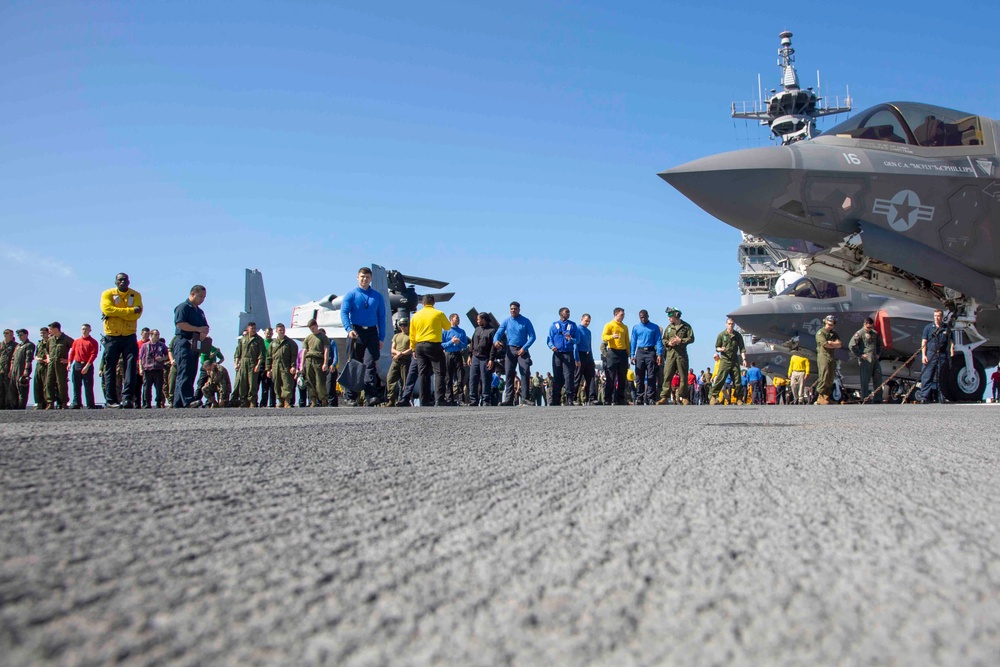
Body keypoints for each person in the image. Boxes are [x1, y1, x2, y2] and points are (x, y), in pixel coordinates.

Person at [340, 267, 387, 407]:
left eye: (367, 277)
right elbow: (344, 313)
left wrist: (381, 338)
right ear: (357, 277)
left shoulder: (377, 296)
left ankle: (370, 395)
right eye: (362, 277)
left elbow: (382, 317)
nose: (364, 279)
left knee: (370, 364)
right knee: (354, 364)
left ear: (371, 279)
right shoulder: (351, 295)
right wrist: (349, 329)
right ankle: (351, 397)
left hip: (372, 333)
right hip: (356, 332)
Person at [100, 272, 143, 409]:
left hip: (129, 335)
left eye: (125, 280)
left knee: (130, 368)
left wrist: (117, 313)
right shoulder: (107, 294)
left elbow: (138, 313)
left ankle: (128, 398)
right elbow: (107, 310)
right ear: (115, 282)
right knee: (110, 368)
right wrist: (129, 311)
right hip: (112, 336)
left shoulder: (135, 295)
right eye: (120, 280)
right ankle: (111, 400)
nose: (122, 282)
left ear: (129, 282)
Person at [172, 285, 210, 408]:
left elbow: (205, 326)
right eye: (200, 296)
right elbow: (180, 324)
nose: (202, 299)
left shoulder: (200, 312)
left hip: (195, 343)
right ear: (192, 294)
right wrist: (197, 329)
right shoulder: (183, 307)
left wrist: (203, 332)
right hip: (184, 341)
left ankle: (179, 402)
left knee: (191, 371)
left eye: (204, 297)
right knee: (184, 371)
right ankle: (188, 399)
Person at [409, 294, 450, 407]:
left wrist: (413, 348)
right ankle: (439, 399)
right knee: (439, 372)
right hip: (434, 345)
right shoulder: (438, 313)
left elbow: (412, 335)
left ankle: (424, 401)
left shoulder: (416, 316)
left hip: (419, 346)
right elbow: (447, 327)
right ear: (433, 303)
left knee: (423, 373)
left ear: (423, 303)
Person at [493, 302, 536, 407]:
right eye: (511, 309)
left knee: (525, 372)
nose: (513, 310)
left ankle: (525, 398)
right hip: (510, 349)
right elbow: (498, 333)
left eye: (515, 309)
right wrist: (495, 341)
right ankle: (508, 399)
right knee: (509, 374)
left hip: (522, 350)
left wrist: (524, 348)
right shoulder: (506, 321)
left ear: (519, 310)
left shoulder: (525, 321)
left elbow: (532, 336)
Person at [658, 307, 694, 406]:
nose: (669, 318)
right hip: (670, 354)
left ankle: (684, 397)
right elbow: (663, 339)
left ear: (676, 315)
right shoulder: (669, 328)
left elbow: (691, 338)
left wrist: (681, 341)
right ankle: (664, 397)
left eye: (670, 316)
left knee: (683, 376)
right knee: (667, 375)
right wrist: (669, 343)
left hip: (681, 354)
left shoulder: (686, 327)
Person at [547, 307, 580, 406]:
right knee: (557, 376)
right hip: (557, 354)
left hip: (568, 353)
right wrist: (552, 347)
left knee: (569, 376)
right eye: (566, 312)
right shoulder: (554, 325)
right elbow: (549, 339)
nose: (568, 314)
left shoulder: (572, 325)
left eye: (569, 312)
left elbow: (577, 339)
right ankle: (555, 399)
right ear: (561, 313)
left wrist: (571, 339)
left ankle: (569, 398)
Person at [627, 310, 662, 406]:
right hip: (640, 352)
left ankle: (651, 398)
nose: (643, 319)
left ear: (648, 316)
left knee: (651, 376)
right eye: (641, 317)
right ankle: (639, 397)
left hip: (651, 351)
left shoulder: (654, 327)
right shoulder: (636, 328)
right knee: (639, 376)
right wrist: (632, 355)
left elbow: (658, 341)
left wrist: (659, 354)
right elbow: (633, 342)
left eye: (644, 317)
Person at [710, 318, 746, 405]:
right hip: (725, 360)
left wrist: (744, 359)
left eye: (732, 324)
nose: (731, 325)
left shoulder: (738, 335)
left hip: (734, 360)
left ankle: (739, 398)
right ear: (726, 324)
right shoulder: (721, 335)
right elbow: (717, 347)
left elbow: (742, 349)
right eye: (729, 324)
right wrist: (721, 349)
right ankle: (713, 396)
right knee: (720, 379)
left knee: (737, 380)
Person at [920, 309, 952, 404]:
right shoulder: (928, 328)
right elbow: (924, 342)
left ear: (942, 317)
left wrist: (951, 355)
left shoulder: (946, 328)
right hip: (931, 353)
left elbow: (951, 343)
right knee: (927, 376)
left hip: (942, 354)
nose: (936, 318)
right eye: (935, 316)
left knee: (943, 376)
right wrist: (924, 355)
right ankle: (924, 397)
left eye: (938, 316)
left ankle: (943, 397)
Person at [850, 317, 884, 403]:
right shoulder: (860, 333)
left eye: (871, 327)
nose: (869, 329)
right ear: (864, 325)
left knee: (878, 378)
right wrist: (860, 355)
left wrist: (878, 354)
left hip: (874, 359)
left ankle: (878, 398)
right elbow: (851, 345)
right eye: (868, 327)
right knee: (865, 380)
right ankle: (865, 398)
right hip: (865, 359)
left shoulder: (874, 333)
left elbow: (879, 344)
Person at [600, 308, 630, 405]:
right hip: (612, 352)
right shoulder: (609, 325)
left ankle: (620, 398)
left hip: (623, 353)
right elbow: (604, 336)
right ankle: (608, 398)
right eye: (621, 314)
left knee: (622, 377)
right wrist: (611, 337)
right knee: (611, 377)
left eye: (624, 315)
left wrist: (628, 354)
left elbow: (627, 341)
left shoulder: (624, 327)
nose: (623, 316)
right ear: (616, 314)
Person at [233, 322, 266, 408]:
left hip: (253, 363)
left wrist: (258, 365)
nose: (253, 330)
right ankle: (244, 401)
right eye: (252, 328)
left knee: (252, 383)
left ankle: (252, 401)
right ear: (248, 329)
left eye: (254, 328)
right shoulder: (243, 339)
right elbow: (238, 352)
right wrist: (236, 363)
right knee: (242, 383)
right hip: (243, 363)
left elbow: (261, 354)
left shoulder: (259, 340)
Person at [68, 324, 100, 409]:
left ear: (90, 330)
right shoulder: (76, 341)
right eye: (83, 329)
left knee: (88, 385)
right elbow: (72, 353)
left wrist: (87, 366)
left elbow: (93, 354)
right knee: (76, 385)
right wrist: (69, 363)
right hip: (77, 364)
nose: (84, 331)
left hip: (87, 365)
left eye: (86, 329)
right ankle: (76, 403)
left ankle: (90, 404)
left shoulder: (93, 342)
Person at [267, 323, 299, 408]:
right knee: (277, 384)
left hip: (286, 366)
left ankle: (287, 401)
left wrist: (293, 366)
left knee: (287, 384)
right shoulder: (272, 344)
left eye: (283, 330)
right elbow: (269, 357)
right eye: (280, 330)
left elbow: (294, 355)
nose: (282, 332)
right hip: (275, 366)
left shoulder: (290, 343)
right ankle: (280, 401)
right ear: (276, 331)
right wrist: (268, 369)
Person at [44, 322, 74, 409]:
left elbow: (75, 349)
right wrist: (48, 357)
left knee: (62, 384)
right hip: (51, 364)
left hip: (61, 365)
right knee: (49, 383)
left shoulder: (66, 339)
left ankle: (64, 402)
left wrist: (68, 360)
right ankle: (50, 403)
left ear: (56, 329)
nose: (49, 331)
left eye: (50, 329)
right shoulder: (50, 340)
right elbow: (46, 350)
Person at [468, 313, 496, 407]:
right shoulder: (477, 329)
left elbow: (493, 346)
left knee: (485, 379)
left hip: (485, 358)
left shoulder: (492, 331)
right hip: (475, 357)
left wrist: (491, 359)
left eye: (478, 319)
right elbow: (472, 343)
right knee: (473, 379)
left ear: (484, 319)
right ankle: (473, 400)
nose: (477, 321)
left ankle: (486, 400)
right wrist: (469, 355)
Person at [442, 313, 469, 406]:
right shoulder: (445, 331)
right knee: (448, 377)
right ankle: (449, 398)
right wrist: (451, 342)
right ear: (451, 320)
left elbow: (465, 345)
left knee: (460, 377)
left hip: (458, 354)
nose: (458, 320)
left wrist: (458, 342)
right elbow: (442, 344)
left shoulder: (462, 331)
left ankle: (461, 399)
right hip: (448, 354)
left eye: (459, 318)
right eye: (456, 318)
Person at [302, 319, 330, 407]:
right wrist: (301, 365)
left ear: (316, 326)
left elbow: (326, 350)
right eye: (311, 329)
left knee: (320, 382)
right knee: (309, 381)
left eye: (313, 328)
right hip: (309, 360)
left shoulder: (323, 337)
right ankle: (313, 400)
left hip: (318, 360)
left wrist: (325, 363)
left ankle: (323, 400)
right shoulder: (308, 337)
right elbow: (304, 351)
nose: (312, 330)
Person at [815, 315, 843, 405]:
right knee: (824, 376)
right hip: (823, 356)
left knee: (830, 378)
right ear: (825, 323)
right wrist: (832, 344)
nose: (830, 326)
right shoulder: (820, 333)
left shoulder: (834, 334)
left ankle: (826, 396)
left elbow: (839, 344)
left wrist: (831, 343)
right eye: (829, 324)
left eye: (832, 325)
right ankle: (820, 396)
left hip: (831, 356)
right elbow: (825, 344)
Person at [138, 329, 169, 408]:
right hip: (147, 369)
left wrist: (162, 359)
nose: (158, 336)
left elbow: (167, 355)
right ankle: (147, 403)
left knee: (159, 387)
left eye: (158, 335)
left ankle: (158, 402)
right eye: (156, 335)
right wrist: (140, 368)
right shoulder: (145, 346)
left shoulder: (162, 345)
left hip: (158, 369)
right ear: (151, 335)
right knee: (147, 387)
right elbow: (140, 358)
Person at [386, 319, 412, 406]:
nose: (403, 327)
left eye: (405, 325)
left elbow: (412, 348)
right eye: (401, 325)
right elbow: (392, 348)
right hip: (396, 360)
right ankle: (391, 399)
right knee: (390, 379)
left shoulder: (411, 336)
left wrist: (401, 354)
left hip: (405, 360)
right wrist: (398, 353)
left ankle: (404, 399)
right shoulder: (396, 336)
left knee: (405, 381)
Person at [575, 314, 597, 405]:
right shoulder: (577, 329)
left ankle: (592, 398)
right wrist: (576, 359)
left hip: (588, 356)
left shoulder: (588, 332)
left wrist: (591, 359)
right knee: (577, 377)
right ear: (581, 319)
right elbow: (575, 345)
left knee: (591, 377)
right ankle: (572, 397)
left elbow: (590, 346)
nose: (587, 323)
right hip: (580, 354)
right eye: (586, 321)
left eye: (589, 321)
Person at [12, 330, 35, 410]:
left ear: (26, 335)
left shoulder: (29, 345)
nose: (20, 336)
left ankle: (21, 407)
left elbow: (28, 358)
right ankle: (15, 406)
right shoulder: (18, 346)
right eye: (18, 335)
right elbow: (13, 358)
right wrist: (11, 370)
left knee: (22, 388)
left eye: (21, 335)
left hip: (22, 369)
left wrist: (26, 369)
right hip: (15, 369)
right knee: (14, 389)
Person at [32, 327, 49, 410]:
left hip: (47, 366)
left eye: (44, 333)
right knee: (37, 384)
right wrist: (37, 358)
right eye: (41, 333)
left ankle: (47, 402)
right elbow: (36, 354)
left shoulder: (50, 342)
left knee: (46, 385)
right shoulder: (39, 343)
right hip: (39, 365)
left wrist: (46, 360)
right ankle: (39, 402)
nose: (42, 334)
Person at [259, 327, 276, 407]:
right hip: (263, 364)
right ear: (264, 333)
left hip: (272, 365)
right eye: (267, 333)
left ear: (272, 334)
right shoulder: (261, 343)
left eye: (270, 333)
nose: (268, 335)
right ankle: (263, 403)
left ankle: (273, 403)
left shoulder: (274, 343)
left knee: (273, 385)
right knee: (264, 385)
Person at [0, 330, 16, 409]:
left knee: (8, 388)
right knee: (1, 388)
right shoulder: (1, 345)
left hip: (9, 369)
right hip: (1, 369)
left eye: (12, 335)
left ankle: (8, 405)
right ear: (5, 335)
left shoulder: (15, 345)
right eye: (10, 335)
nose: (11, 336)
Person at [324, 331, 340, 407]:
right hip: (322, 367)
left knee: (330, 385)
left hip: (331, 366)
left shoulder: (331, 342)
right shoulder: (319, 344)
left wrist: (333, 364)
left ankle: (332, 403)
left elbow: (336, 356)